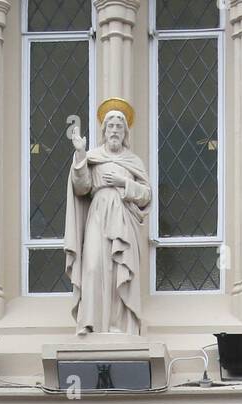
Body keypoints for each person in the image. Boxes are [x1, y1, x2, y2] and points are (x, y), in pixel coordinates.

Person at [63, 99, 151, 336]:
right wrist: (80, 154)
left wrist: (124, 183)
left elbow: (146, 195)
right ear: (104, 130)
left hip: (123, 218)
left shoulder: (133, 161)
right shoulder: (93, 156)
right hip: (98, 215)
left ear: (125, 132)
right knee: (92, 266)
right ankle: (92, 323)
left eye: (119, 127)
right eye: (110, 126)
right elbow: (81, 188)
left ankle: (118, 326)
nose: (114, 130)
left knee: (118, 270)